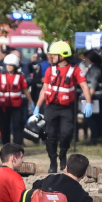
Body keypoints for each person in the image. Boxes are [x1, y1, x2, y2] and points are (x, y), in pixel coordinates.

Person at [33, 41, 92, 173]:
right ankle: (53, 161)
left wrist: (88, 102)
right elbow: (44, 89)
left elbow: (84, 86)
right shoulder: (49, 70)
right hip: (50, 107)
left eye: (54, 55)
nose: (51, 57)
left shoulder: (75, 69)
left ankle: (63, 154)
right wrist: (37, 107)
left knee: (67, 134)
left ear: (63, 56)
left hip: (67, 107)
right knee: (50, 135)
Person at [0, 54, 28, 145]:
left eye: (11, 65)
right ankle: (6, 146)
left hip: (17, 107)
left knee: (17, 126)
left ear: (15, 66)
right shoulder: (1, 75)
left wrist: (31, 102)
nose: (8, 67)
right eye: (7, 65)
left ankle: (17, 145)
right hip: (4, 107)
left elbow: (25, 89)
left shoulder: (20, 76)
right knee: (4, 127)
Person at [80, 50, 102, 145]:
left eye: (86, 58)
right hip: (91, 96)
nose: (84, 60)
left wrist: (88, 99)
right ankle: (96, 136)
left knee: (91, 119)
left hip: (93, 97)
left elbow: (93, 86)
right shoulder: (93, 68)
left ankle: (94, 138)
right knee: (93, 118)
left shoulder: (95, 69)